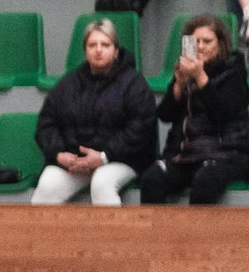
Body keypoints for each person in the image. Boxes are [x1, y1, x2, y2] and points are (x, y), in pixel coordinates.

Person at [30, 19, 155, 206]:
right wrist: (58, 154)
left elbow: (139, 130)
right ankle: (48, 236)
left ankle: (112, 236)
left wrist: (103, 157)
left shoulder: (134, 84)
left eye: (105, 44)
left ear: (116, 51)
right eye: (92, 45)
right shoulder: (68, 83)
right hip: (76, 163)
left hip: (121, 160)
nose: (98, 49)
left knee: (102, 182)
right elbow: (46, 123)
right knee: (48, 184)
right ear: (85, 51)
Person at [139, 14, 248, 204]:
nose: (200, 46)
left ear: (220, 45)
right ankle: (156, 234)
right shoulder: (186, 72)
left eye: (207, 41)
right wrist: (179, 85)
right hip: (185, 153)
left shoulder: (234, 74)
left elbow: (221, 115)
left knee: (205, 181)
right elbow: (164, 115)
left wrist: (201, 78)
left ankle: (199, 235)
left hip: (226, 153)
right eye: (195, 41)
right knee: (152, 178)